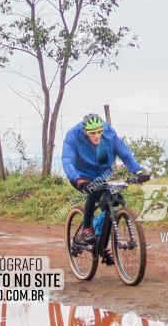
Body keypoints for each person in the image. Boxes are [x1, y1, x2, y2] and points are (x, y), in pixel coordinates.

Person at [61, 113, 149, 264]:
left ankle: (101, 244)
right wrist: (78, 179)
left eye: (99, 131)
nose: (97, 136)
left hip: (102, 175)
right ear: (84, 132)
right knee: (94, 192)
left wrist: (138, 171)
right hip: (81, 176)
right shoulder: (73, 136)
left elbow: (124, 153)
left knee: (113, 202)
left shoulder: (109, 133)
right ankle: (86, 228)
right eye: (92, 133)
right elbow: (67, 160)